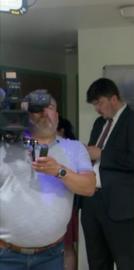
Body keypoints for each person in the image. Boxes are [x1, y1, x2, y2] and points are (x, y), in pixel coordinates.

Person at [0, 89, 95, 270]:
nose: (44, 113)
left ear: (57, 116)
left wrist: (59, 171)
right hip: (5, 255)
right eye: (37, 109)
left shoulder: (74, 148)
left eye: (49, 107)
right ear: (25, 116)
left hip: (51, 256)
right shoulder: (5, 148)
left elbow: (89, 187)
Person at [81, 78, 134, 270]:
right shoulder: (99, 123)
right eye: (94, 104)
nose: (97, 109)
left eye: (99, 103)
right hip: (91, 202)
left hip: (119, 206)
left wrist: (102, 154)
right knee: (96, 262)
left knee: (126, 261)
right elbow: (93, 156)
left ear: (113, 99)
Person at [56, 116, 79, 270]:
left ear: (61, 131)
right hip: (51, 204)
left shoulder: (71, 149)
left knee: (67, 246)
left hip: (65, 203)